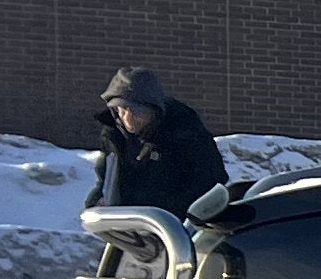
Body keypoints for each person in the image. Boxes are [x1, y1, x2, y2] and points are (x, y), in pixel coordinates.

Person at [92, 66, 228, 214]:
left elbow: (211, 182)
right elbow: (105, 182)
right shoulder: (114, 137)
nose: (128, 119)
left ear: (155, 111)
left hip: (178, 226)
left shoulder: (185, 131)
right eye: (122, 109)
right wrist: (96, 205)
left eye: (138, 111)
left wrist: (171, 211)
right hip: (127, 225)